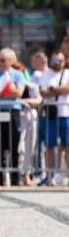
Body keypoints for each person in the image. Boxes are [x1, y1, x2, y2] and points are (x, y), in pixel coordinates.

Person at [0, 48, 26, 186]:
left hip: (13, 112)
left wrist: (1, 91)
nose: (0, 63)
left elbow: (18, 93)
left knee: (13, 145)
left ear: (11, 61)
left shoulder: (18, 74)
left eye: (3, 60)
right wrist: (8, 90)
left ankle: (15, 178)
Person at [37, 51, 69, 186]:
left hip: (65, 114)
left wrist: (52, 88)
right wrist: (60, 89)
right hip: (49, 115)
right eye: (55, 60)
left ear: (64, 61)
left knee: (67, 146)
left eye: (60, 60)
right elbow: (43, 92)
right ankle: (49, 175)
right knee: (50, 146)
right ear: (51, 60)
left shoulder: (67, 73)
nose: (57, 63)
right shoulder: (45, 74)